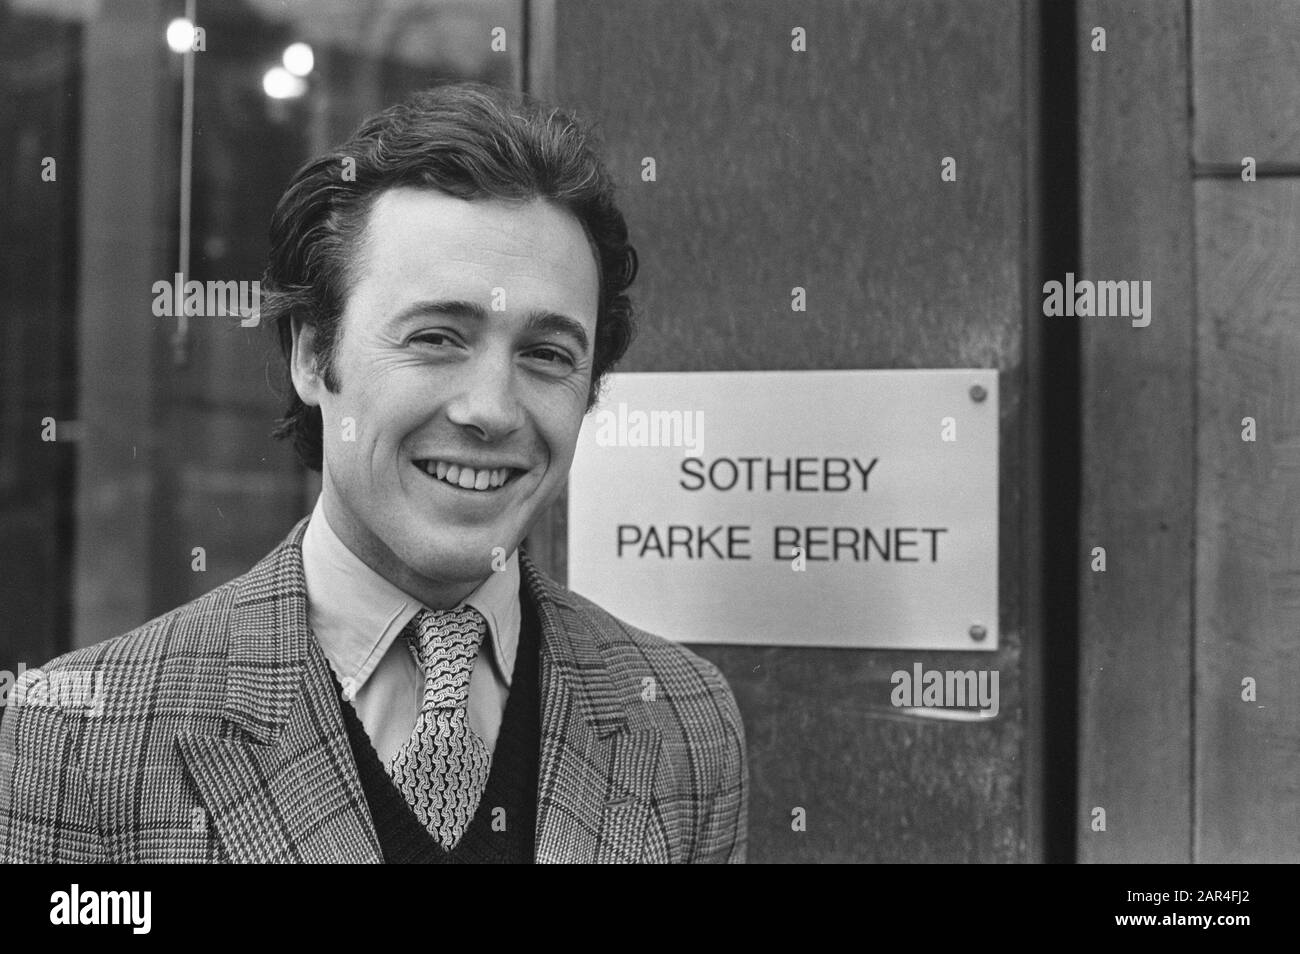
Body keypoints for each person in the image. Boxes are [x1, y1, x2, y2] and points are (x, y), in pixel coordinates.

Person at [0, 82, 747, 864]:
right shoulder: (81, 741)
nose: (492, 410)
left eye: (547, 354)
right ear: (311, 354)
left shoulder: (685, 724)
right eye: (436, 337)